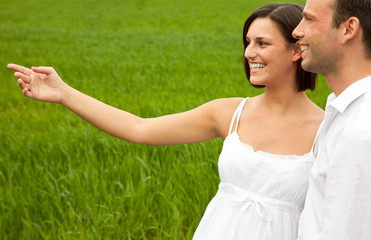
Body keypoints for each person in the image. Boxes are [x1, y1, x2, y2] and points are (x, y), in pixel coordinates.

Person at [8, 3, 324, 240]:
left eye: (262, 43)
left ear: (297, 50)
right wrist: (64, 93)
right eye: (247, 42)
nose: (249, 53)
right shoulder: (229, 112)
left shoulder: (326, 130)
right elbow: (138, 129)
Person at [292, 0, 371, 239]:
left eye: (309, 19)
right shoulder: (344, 110)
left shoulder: (358, 130)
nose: (297, 30)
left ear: (348, 29)